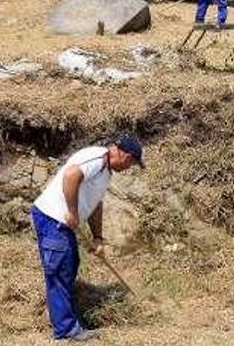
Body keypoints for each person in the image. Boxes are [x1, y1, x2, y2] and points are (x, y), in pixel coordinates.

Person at [31, 136, 144, 342]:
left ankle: (69, 321)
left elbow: (96, 205)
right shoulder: (97, 159)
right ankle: (65, 331)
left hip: (61, 224)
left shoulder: (106, 171)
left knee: (70, 266)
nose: (129, 169)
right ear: (126, 157)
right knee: (59, 271)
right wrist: (73, 212)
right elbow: (70, 176)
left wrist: (98, 237)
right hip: (52, 219)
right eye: (131, 164)